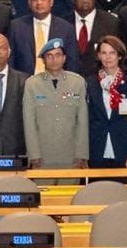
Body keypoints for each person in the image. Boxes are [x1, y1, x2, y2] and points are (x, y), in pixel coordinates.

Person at [22, 38, 88, 167]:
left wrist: (82, 154)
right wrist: (33, 155)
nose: (54, 59)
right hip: (42, 156)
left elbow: (82, 122)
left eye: (58, 55)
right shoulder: (32, 84)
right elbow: (29, 123)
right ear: (43, 60)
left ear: (64, 58)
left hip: (71, 156)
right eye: (49, 56)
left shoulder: (78, 83)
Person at [87, 35, 127, 167]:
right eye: (104, 53)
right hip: (96, 149)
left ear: (120, 56)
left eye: (112, 53)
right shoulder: (90, 82)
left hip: (123, 149)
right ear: (99, 56)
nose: (108, 57)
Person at [7, 0, 76, 77]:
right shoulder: (16, 27)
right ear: (29, 3)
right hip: (24, 82)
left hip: (56, 81)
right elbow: (10, 59)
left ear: (51, 2)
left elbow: (72, 63)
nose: (39, 3)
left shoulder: (66, 29)